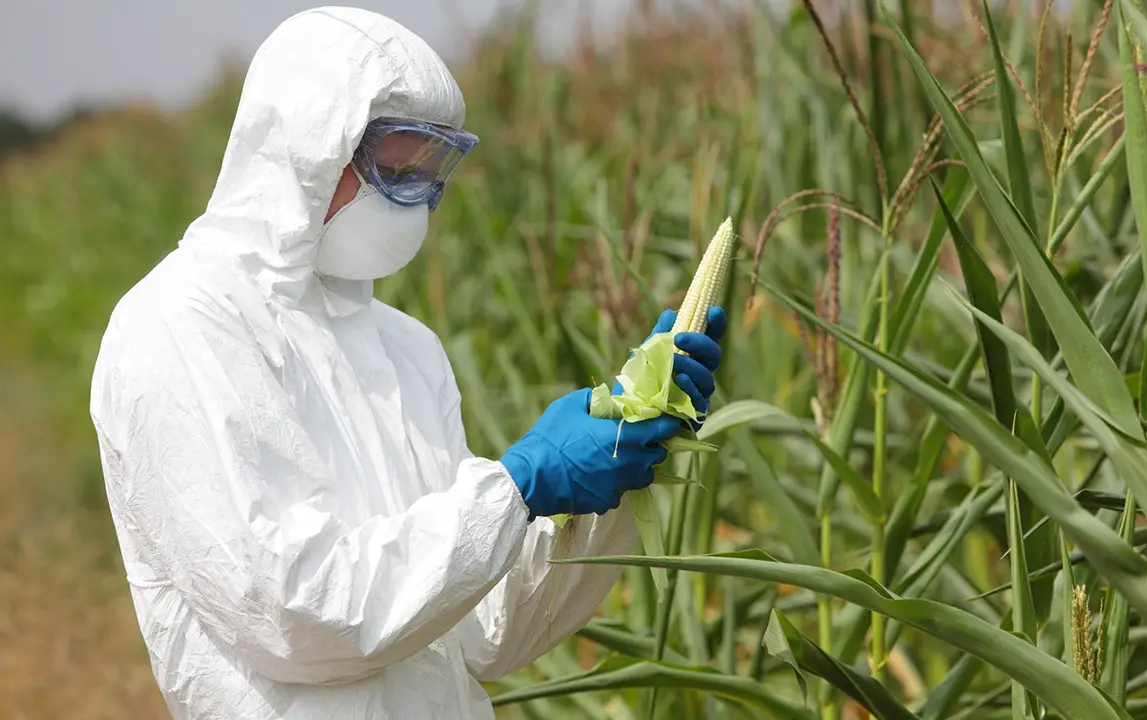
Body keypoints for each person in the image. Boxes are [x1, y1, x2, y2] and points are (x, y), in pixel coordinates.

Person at [87, 7, 726, 720]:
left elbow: (480, 634)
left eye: (432, 166)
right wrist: (516, 488)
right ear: (305, 147)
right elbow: (295, 615)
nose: (417, 193)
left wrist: (608, 468)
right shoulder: (180, 325)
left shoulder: (404, 346)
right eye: (395, 165)